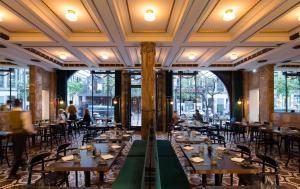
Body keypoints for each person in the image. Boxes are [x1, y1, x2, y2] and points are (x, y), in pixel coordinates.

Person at [8, 99, 36, 180]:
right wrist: (33, 131)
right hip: (21, 135)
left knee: (17, 153)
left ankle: (23, 164)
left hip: (13, 135)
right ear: (20, 104)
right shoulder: (24, 113)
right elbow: (27, 126)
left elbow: (10, 124)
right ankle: (12, 173)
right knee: (18, 155)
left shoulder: (11, 113)